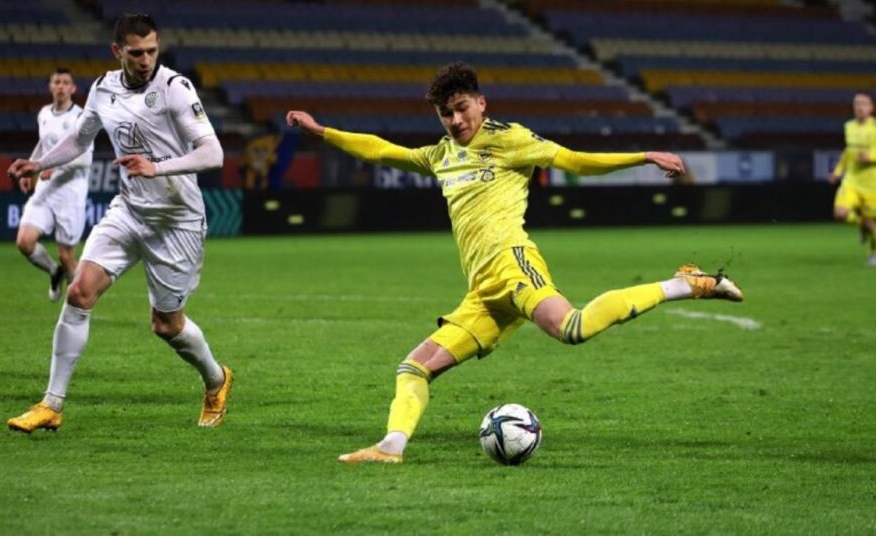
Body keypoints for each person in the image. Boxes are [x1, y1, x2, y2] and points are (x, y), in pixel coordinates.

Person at [286, 62, 744, 464]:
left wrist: (642, 157)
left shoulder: (510, 140)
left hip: (512, 264)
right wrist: (322, 132)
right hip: (483, 292)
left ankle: (687, 284)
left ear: (481, 103)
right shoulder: (440, 156)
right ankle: (391, 448)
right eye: (445, 113)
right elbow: (381, 149)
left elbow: (574, 161)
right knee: (413, 368)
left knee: (572, 328)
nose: (455, 120)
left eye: (462, 108)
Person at [6, 13, 232, 433]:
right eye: (136, 53)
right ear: (117, 51)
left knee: (166, 324)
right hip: (128, 210)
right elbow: (80, 138)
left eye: (152, 51)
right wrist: (39, 163)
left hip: (176, 220)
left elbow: (212, 153)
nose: (146, 60)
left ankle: (216, 380)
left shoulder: (174, 88)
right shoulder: (103, 88)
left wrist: (156, 167)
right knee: (79, 291)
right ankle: (51, 404)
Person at [15, 68, 92, 302]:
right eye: (57, 82)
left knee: (67, 256)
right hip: (46, 189)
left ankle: (78, 307)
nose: (60, 86)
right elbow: (43, 143)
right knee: (24, 242)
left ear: (73, 88)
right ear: (50, 86)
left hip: (70, 193)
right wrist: (31, 167)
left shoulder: (81, 118)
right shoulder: (44, 113)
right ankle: (53, 271)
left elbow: (84, 159)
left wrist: (54, 166)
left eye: (65, 82)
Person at [829, 92, 876, 266]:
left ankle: (873, 253)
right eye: (857, 103)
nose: (860, 107)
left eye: (864, 103)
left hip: (872, 183)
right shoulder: (849, 127)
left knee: (874, 223)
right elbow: (848, 152)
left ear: (871, 108)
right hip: (852, 180)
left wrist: (870, 157)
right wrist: (837, 171)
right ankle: (863, 224)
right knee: (840, 213)